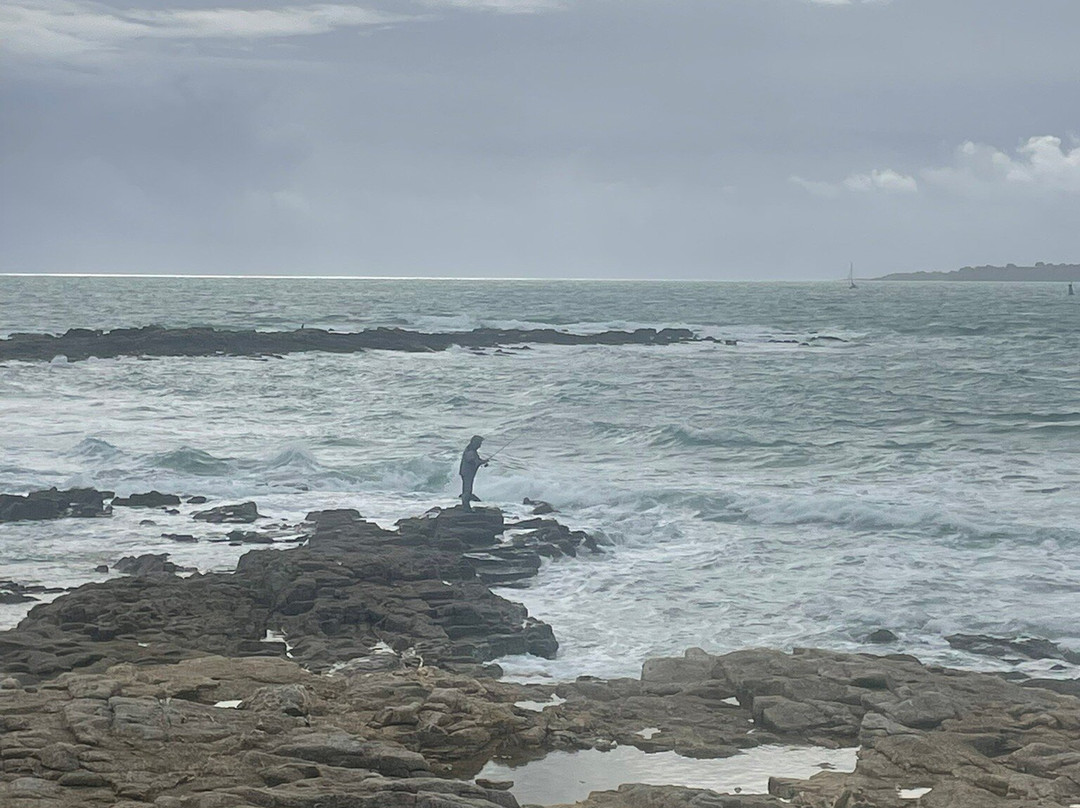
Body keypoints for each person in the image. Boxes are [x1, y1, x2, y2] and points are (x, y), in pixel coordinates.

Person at [459, 435, 488, 511]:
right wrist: (481, 462)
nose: (480, 445)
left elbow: (476, 460)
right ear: (474, 443)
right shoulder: (470, 451)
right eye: (479, 443)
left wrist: (482, 461)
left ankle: (466, 506)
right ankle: (466, 507)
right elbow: (472, 460)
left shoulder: (471, 450)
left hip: (467, 473)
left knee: (467, 489)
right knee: (467, 490)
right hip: (467, 473)